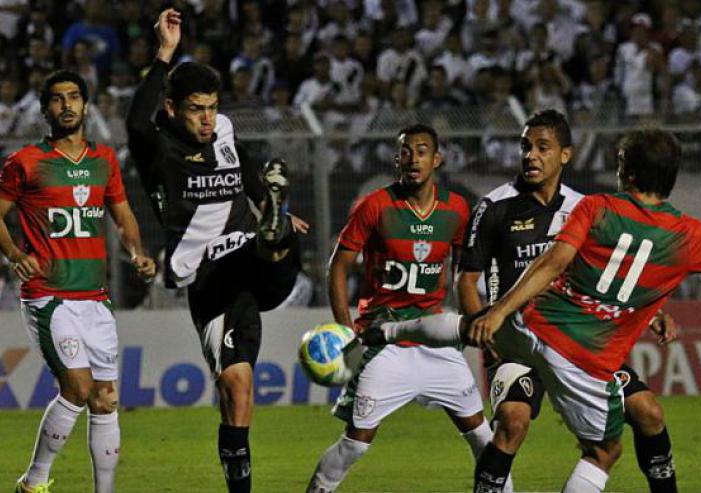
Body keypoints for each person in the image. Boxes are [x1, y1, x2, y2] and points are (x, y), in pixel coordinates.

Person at [363, 129, 701, 492]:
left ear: (631, 172)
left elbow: (551, 262)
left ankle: (389, 331)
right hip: (585, 360)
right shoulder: (689, 235)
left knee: (466, 325)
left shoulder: (597, 207)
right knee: (605, 451)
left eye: (621, 162)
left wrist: (499, 311)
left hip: (534, 324)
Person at [125, 10, 302, 493]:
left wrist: (267, 203)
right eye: (195, 109)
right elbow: (135, 121)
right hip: (209, 280)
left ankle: (275, 233)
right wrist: (164, 52)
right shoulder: (158, 148)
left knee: (279, 240)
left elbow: (243, 169)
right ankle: (240, 486)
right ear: (171, 109)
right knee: (236, 389)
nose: (206, 117)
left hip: (250, 261)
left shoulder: (224, 130)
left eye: (211, 106)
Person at [458, 109, 679, 492]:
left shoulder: (584, 207)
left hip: (578, 340)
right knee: (513, 422)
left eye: (543, 147)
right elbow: (467, 279)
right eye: (526, 146)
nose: (531, 155)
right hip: (515, 343)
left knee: (648, 412)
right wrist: (482, 325)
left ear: (565, 155)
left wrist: (655, 311)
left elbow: (609, 273)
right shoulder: (493, 207)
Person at [305, 123, 504, 493]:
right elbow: (339, 265)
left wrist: (472, 320)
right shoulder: (375, 206)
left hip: (436, 341)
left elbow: (465, 274)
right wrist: (345, 331)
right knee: (355, 443)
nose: (414, 158)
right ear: (397, 159)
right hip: (384, 341)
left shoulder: (457, 210)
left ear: (437, 159)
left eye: (422, 150)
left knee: (483, 436)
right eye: (406, 151)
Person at [0, 69, 156, 493]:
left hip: (95, 299)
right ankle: (34, 481)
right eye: (56, 98)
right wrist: (15, 254)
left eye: (74, 97)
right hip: (49, 297)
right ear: (45, 109)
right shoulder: (26, 162)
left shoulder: (103, 160)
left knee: (105, 398)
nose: (66, 105)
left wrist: (138, 253)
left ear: (86, 105)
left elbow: (123, 218)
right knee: (79, 386)